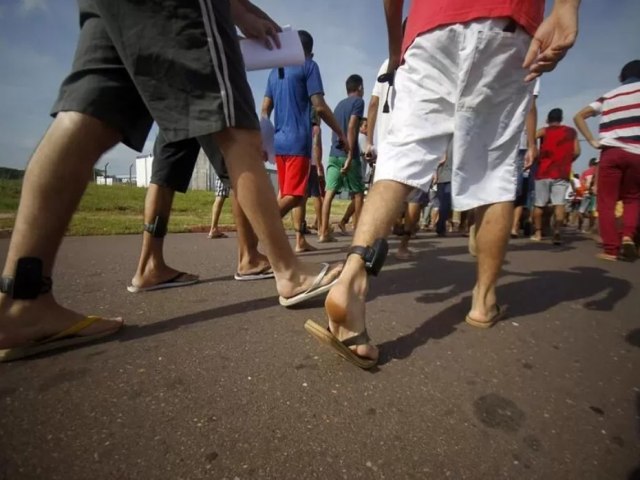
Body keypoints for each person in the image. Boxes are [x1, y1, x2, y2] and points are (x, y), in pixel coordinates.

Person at [0, 0, 342, 361]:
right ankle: (286, 270)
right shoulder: (307, 67)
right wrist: (238, 8)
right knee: (236, 127)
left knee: (90, 113)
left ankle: (23, 297)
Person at [305, 0, 581, 368]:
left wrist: (396, 49)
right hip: (506, 22)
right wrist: (566, 6)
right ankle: (483, 301)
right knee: (493, 171)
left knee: (399, 160)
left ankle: (352, 280)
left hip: (428, 29)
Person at [128, 135, 275, 294]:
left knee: (164, 173)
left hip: (174, 110)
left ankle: (149, 265)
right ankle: (249, 258)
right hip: (206, 111)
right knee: (237, 161)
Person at [261, 30, 347, 252]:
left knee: (294, 193)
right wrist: (340, 133)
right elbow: (318, 105)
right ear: (310, 51)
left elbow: (264, 109)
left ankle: (299, 241)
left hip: (279, 143)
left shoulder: (275, 71)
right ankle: (257, 230)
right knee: (296, 194)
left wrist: (264, 138)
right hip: (298, 141)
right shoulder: (309, 65)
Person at [574, 59, 640, 261]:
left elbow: (579, 116)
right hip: (637, 153)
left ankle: (611, 249)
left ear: (622, 77)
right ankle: (628, 236)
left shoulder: (610, 95)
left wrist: (592, 141)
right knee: (633, 198)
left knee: (606, 201)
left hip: (611, 152)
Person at [366, 54, 426, 259]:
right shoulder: (420, 62)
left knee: (381, 193)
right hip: (411, 140)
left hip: (385, 144)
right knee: (414, 196)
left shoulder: (386, 63)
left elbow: (373, 104)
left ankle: (366, 248)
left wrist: (369, 141)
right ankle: (403, 246)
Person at [319, 75, 367, 242]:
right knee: (358, 193)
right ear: (360, 87)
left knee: (329, 193)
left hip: (333, 153)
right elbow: (353, 126)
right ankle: (359, 234)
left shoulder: (339, 105)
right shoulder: (359, 102)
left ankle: (324, 232)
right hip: (349, 155)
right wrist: (349, 154)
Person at [530, 108, 581, 244]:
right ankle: (557, 232)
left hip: (544, 171)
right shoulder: (571, 132)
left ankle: (538, 233)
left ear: (548, 119)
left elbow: (530, 138)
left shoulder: (544, 131)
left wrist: (536, 153)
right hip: (562, 172)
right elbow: (577, 152)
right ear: (561, 119)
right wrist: (566, 161)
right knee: (559, 203)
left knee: (539, 204)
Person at [512, 80, 540, 238]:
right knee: (514, 191)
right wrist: (532, 144)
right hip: (517, 143)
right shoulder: (533, 68)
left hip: (486, 136)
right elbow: (530, 105)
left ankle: (479, 227)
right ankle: (513, 226)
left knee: (507, 190)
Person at [577, 158, 598, 233]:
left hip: (586, 193)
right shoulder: (599, 171)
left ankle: (580, 226)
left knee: (581, 210)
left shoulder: (585, 172)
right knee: (592, 211)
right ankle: (590, 228)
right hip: (595, 193)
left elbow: (581, 183)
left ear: (589, 164)